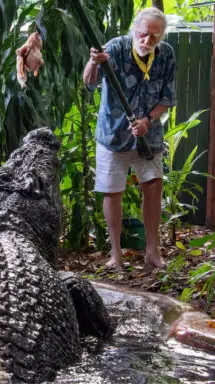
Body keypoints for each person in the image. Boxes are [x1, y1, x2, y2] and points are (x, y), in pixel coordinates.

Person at [83, 7, 176, 269]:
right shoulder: (115, 48)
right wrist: (94, 61)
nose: (147, 41)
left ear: (161, 37)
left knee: (153, 186)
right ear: (134, 29)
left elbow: (167, 99)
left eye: (154, 37)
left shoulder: (166, 54)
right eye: (143, 34)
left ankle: (152, 252)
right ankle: (115, 254)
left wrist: (148, 120)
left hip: (149, 136)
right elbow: (89, 83)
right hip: (114, 134)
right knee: (112, 191)